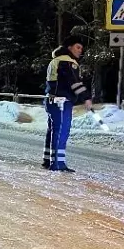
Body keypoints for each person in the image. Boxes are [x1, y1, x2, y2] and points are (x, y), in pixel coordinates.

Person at [43, 35, 92, 172]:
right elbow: (74, 83)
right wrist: (86, 98)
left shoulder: (55, 60)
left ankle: (48, 160)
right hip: (62, 102)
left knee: (53, 130)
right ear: (69, 47)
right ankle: (58, 164)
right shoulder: (67, 62)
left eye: (81, 48)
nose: (80, 50)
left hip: (51, 100)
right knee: (61, 131)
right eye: (78, 47)